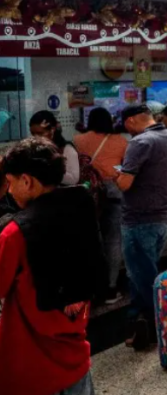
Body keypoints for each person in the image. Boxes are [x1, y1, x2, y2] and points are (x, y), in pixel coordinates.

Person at [0, 138, 104, 395]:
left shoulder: (15, 233)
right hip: (76, 357)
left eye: (11, 183)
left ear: (27, 181)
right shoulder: (82, 207)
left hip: (32, 368)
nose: (9, 191)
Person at [116, 105, 167, 350]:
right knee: (140, 274)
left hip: (138, 220)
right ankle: (141, 327)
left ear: (132, 120)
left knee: (144, 279)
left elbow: (124, 184)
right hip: (163, 217)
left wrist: (114, 174)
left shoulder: (139, 143)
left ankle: (163, 326)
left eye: (126, 125)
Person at [73, 107, 128, 304]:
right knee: (113, 240)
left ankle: (92, 288)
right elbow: (127, 167)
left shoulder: (78, 140)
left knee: (90, 241)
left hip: (88, 193)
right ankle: (110, 289)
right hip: (113, 192)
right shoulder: (121, 141)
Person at [28, 110, 79, 185]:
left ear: (52, 130)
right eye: (33, 134)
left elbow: (74, 179)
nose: (36, 137)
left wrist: (48, 172)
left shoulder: (67, 150)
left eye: (40, 133)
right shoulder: (33, 150)